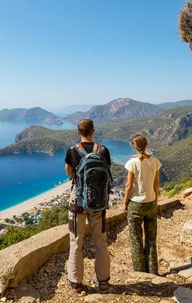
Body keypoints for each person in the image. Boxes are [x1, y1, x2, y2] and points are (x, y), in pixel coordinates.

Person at [64, 119, 112, 292]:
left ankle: (76, 281)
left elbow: (69, 172)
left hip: (78, 202)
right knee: (101, 242)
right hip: (98, 202)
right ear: (93, 131)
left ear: (78, 132)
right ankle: (103, 280)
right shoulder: (103, 150)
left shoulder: (72, 151)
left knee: (76, 241)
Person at [121, 134, 161, 275]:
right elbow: (156, 184)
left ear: (133, 146)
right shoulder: (155, 161)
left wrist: (125, 203)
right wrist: (156, 200)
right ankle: (153, 271)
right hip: (150, 202)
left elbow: (129, 185)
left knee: (136, 239)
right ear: (146, 144)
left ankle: (140, 272)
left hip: (136, 204)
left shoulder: (132, 163)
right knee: (151, 239)